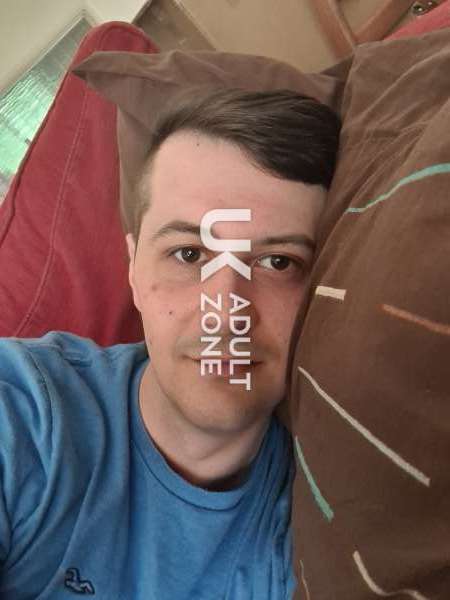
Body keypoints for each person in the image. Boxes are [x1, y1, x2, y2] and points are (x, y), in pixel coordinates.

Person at [0, 87, 340, 599]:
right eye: (188, 254)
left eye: (278, 262)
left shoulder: (310, 536)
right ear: (134, 270)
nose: (226, 309)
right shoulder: (23, 411)